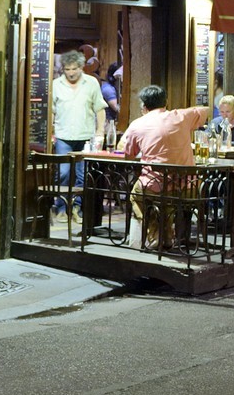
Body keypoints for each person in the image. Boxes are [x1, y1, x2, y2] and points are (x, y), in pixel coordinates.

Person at [118, 85, 209, 250]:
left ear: (143, 107)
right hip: (189, 186)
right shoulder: (181, 115)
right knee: (166, 202)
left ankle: (143, 240)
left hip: (156, 186)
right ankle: (165, 237)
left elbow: (128, 156)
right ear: (166, 102)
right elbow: (205, 109)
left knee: (137, 196)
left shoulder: (138, 124)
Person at [51, 50, 107, 225]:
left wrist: (100, 132)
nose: (71, 72)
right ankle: (61, 208)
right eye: (67, 69)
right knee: (63, 173)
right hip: (63, 136)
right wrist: (50, 133)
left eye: (75, 68)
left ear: (81, 67)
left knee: (83, 175)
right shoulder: (56, 84)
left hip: (85, 136)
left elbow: (99, 108)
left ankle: (77, 208)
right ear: (63, 69)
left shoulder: (91, 83)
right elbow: (50, 111)